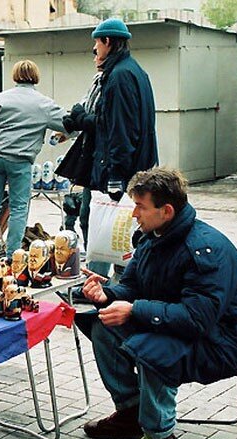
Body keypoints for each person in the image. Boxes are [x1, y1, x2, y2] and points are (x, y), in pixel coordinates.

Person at [78, 167, 237, 439]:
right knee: (102, 324)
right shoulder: (153, 236)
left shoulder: (205, 249)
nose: (134, 215)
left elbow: (197, 319)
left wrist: (135, 309)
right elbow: (132, 287)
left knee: (153, 350)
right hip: (177, 325)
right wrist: (108, 294)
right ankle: (130, 411)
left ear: (166, 210)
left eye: (140, 207)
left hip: (222, 341)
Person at [63, 18, 158, 277]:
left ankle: (110, 282)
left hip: (119, 170)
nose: (95, 50)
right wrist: (84, 119)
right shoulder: (130, 71)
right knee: (105, 226)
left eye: (96, 43)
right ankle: (101, 278)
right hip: (123, 166)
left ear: (107, 42)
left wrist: (116, 175)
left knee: (107, 226)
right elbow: (111, 121)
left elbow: (121, 130)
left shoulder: (120, 76)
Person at [0, 60, 66, 257]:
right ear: (36, 77)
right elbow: (69, 124)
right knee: (18, 207)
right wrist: (63, 136)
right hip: (20, 160)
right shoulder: (44, 103)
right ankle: (13, 255)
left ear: (15, 75)